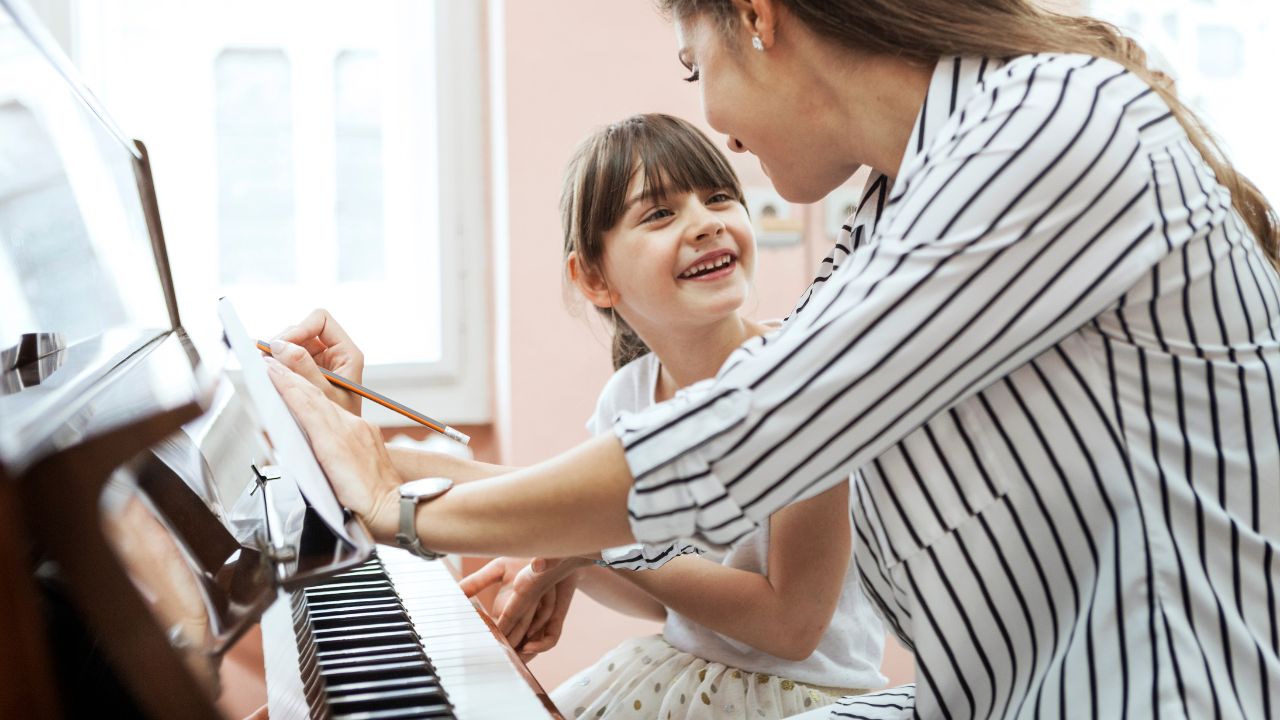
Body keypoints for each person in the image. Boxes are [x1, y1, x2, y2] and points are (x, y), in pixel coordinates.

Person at [264, 0, 1280, 717]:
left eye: (693, 69)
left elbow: (749, 430)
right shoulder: (889, 216)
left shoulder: (1045, 126)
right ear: (594, 279)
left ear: (756, 16)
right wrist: (395, 461)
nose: (717, 128)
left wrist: (402, 499)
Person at [469, 113, 885, 719]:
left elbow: (790, 625)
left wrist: (598, 546)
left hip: (805, 698)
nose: (707, 222)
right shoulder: (628, 395)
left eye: (719, 197)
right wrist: (564, 562)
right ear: (593, 276)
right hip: (681, 676)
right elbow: (672, 602)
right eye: (660, 213)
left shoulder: (801, 377)